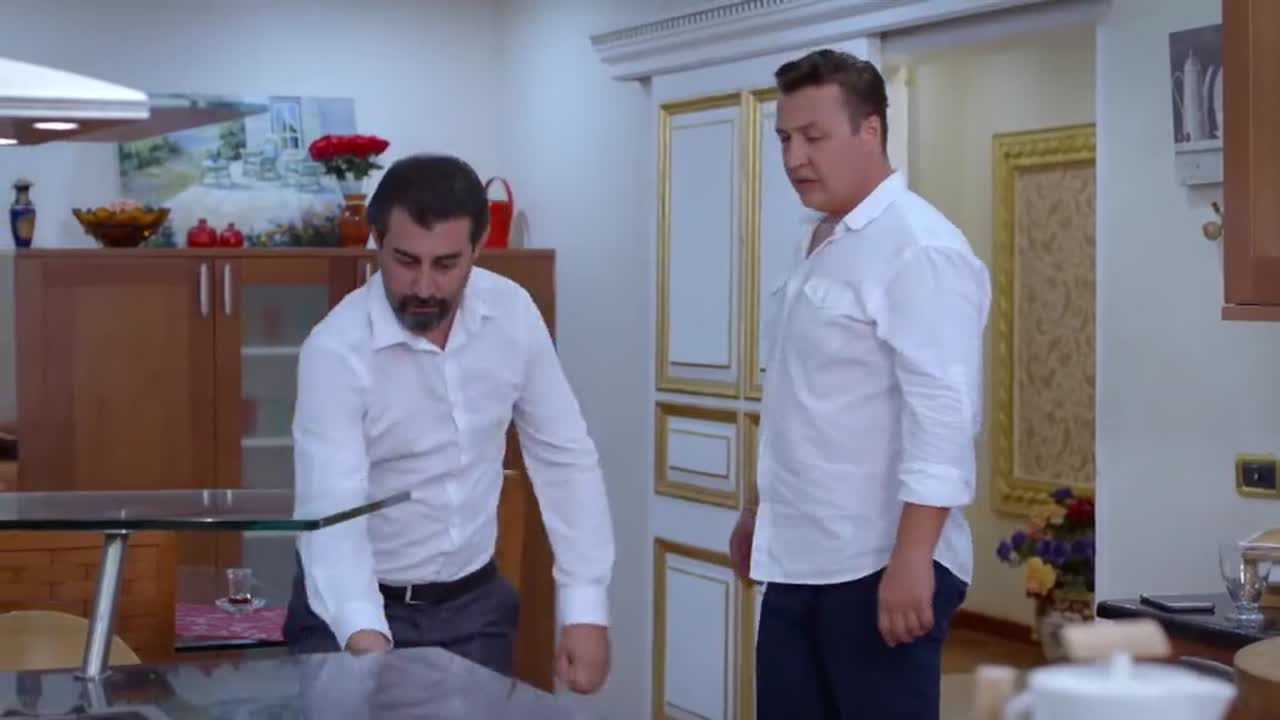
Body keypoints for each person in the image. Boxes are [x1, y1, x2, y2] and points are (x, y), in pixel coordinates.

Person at [283, 153, 614, 695]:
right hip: (349, 611)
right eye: (405, 260)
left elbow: (564, 456)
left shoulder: (512, 313)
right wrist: (368, 643)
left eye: (445, 264)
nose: (424, 286)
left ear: (477, 250)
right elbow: (331, 514)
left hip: (473, 610)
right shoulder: (335, 350)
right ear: (377, 241)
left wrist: (585, 608)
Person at [729, 49, 990, 719]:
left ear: (870, 129)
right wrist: (759, 511)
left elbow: (943, 414)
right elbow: (797, 400)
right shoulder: (816, 241)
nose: (794, 158)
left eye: (813, 137)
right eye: (785, 139)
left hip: (878, 563)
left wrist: (913, 558)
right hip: (798, 557)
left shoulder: (919, 247)